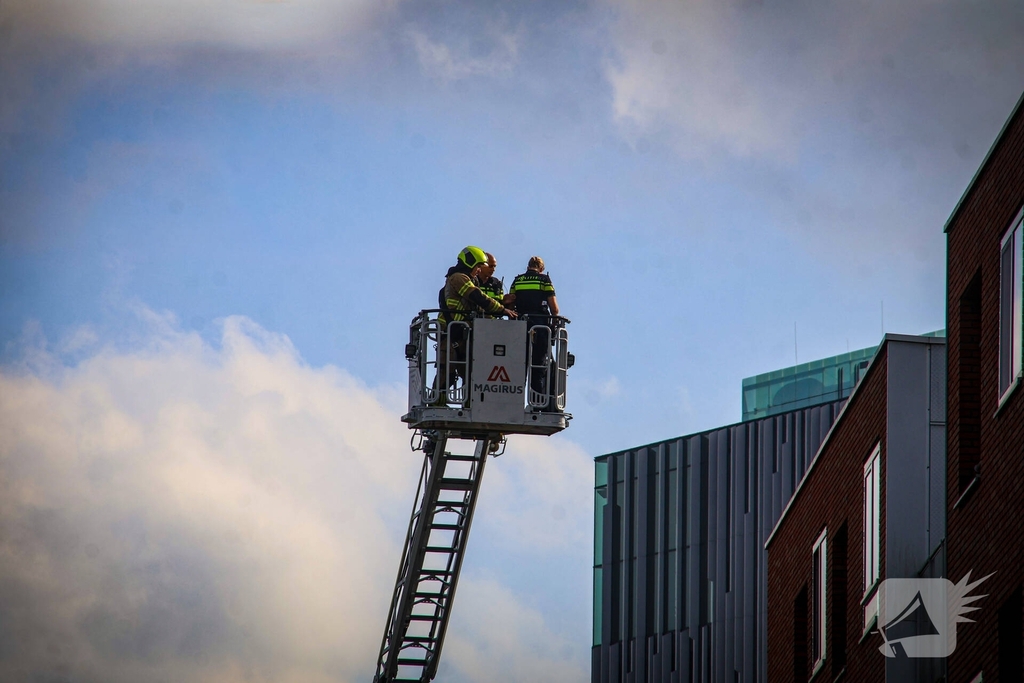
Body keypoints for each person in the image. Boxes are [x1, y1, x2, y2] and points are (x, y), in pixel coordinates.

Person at [434, 246, 516, 403]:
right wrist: (502, 310)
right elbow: (478, 297)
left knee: (469, 372)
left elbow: (477, 306)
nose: (479, 270)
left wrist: (500, 307)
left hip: (462, 333)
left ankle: (469, 405)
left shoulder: (468, 279)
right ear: (470, 263)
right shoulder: (459, 278)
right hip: (450, 333)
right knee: (448, 371)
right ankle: (437, 403)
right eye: (478, 266)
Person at [507, 256, 561, 410]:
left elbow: (510, 302)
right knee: (539, 366)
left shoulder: (517, 280)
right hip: (540, 328)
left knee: (518, 365)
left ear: (528, 266)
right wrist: (555, 322)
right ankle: (536, 404)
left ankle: (513, 403)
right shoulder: (544, 280)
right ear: (541, 268)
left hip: (519, 327)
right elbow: (554, 308)